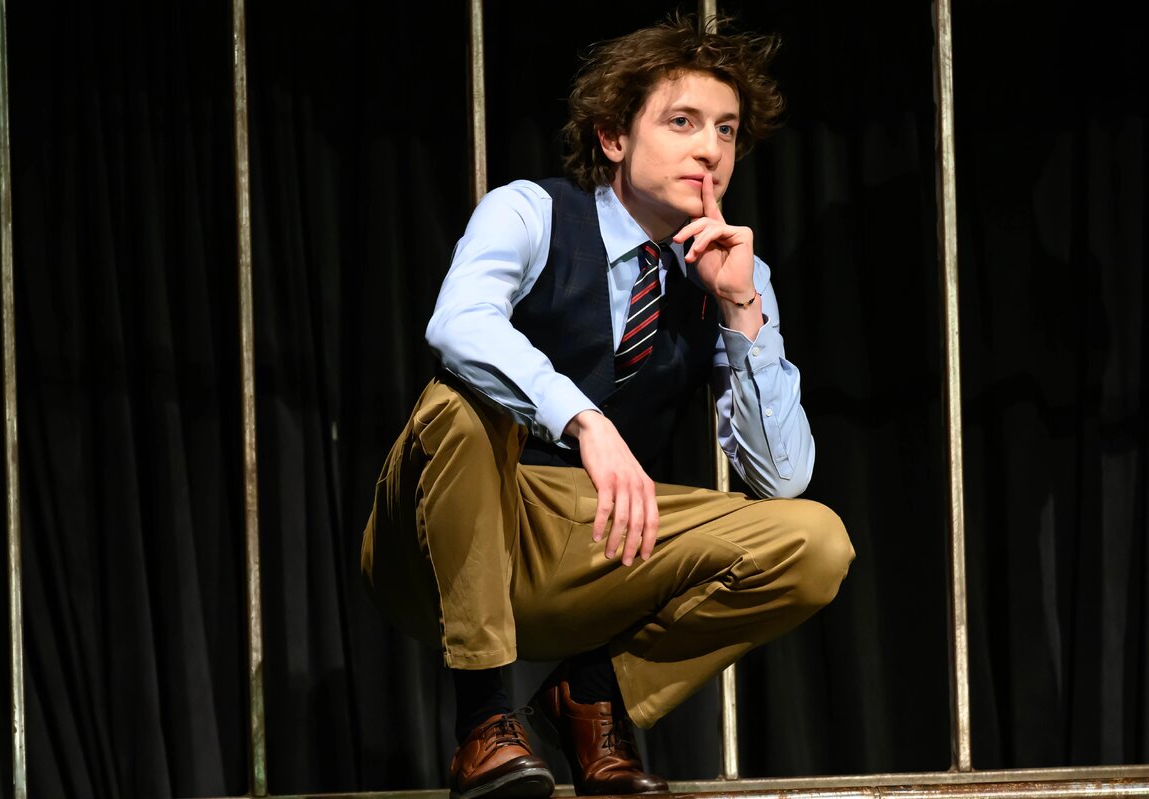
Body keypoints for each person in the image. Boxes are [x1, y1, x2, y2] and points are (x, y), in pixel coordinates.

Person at [361, 12, 854, 799]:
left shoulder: (731, 276)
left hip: (588, 542)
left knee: (816, 543)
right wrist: (582, 419)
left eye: (726, 129)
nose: (710, 149)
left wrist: (739, 310)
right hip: (442, 533)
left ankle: (589, 695)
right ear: (613, 137)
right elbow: (457, 322)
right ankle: (484, 722)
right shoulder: (530, 211)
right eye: (683, 122)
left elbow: (782, 477)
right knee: (459, 402)